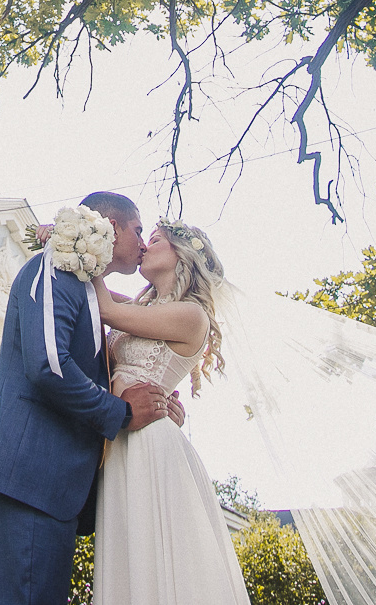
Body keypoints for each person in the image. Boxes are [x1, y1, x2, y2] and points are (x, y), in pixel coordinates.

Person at [0, 191, 185, 605]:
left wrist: (158, 399)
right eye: (139, 231)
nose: (142, 244)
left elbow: (120, 345)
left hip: (51, 483)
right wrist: (121, 413)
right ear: (112, 227)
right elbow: (49, 364)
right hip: (28, 474)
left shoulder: (83, 284)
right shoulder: (52, 271)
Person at [90, 221, 252, 605]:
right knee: (129, 561)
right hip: (123, 440)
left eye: (156, 240)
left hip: (150, 447)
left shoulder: (191, 316)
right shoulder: (142, 310)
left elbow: (104, 308)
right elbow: (95, 298)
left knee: (157, 560)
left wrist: (81, 243)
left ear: (182, 256)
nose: (145, 246)